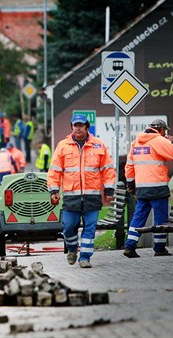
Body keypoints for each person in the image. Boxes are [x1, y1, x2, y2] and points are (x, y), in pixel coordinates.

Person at [48, 114, 116, 269]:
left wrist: (109, 190)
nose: (77, 128)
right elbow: (55, 171)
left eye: (81, 125)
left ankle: (85, 258)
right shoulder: (63, 146)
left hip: (92, 196)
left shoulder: (99, 146)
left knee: (90, 228)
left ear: (87, 127)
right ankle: (72, 249)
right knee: (68, 226)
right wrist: (53, 190)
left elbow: (107, 170)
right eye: (75, 125)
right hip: (71, 197)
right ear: (72, 127)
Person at [123, 119, 173, 258]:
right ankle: (159, 248)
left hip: (142, 188)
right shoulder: (159, 141)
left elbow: (129, 167)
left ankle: (130, 246)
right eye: (165, 131)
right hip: (158, 187)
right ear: (161, 130)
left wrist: (131, 186)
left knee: (139, 217)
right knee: (160, 218)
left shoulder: (136, 142)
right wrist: (169, 141)